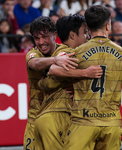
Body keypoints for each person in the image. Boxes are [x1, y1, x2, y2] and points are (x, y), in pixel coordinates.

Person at [58, 5, 122, 150]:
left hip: (82, 122)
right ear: (108, 25)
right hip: (111, 123)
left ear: (87, 27)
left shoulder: (76, 53)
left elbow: (55, 76)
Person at [33, 14, 103, 150]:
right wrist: (85, 74)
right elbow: (52, 71)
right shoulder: (69, 53)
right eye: (85, 33)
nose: (87, 37)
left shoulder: (61, 51)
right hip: (57, 117)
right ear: (72, 35)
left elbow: (45, 82)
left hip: (46, 117)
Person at [23, 16, 84, 150]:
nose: (41, 42)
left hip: (58, 118)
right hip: (34, 118)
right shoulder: (33, 53)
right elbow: (34, 63)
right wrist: (55, 60)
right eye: (36, 38)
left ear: (54, 34)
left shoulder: (65, 51)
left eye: (45, 37)